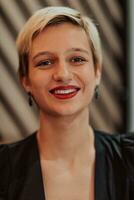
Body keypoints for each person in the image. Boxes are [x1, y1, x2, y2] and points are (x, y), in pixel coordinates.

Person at [0, 6, 134, 200]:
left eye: (77, 59)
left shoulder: (130, 160)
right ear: (25, 79)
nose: (62, 74)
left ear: (97, 71)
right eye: (45, 62)